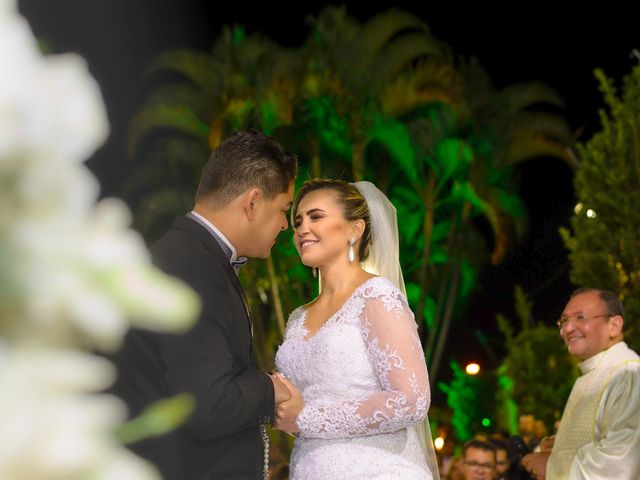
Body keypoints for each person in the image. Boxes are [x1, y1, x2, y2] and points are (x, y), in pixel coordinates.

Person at [110, 130, 297, 479]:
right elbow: (208, 406)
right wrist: (270, 388)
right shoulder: (194, 269)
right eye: (284, 209)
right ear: (253, 202)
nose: (286, 225)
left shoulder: (186, 255)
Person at [273, 179, 439, 479]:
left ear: (355, 229)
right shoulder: (298, 317)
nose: (301, 229)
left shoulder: (375, 296)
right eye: (297, 221)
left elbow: (411, 401)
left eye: (316, 216)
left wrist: (307, 418)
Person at [522, 288, 640, 480]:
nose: (568, 329)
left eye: (580, 318)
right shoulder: (592, 373)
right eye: (564, 321)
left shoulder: (629, 374)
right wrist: (559, 448)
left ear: (614, 325)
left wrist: (554, 466)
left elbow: (624, 460)